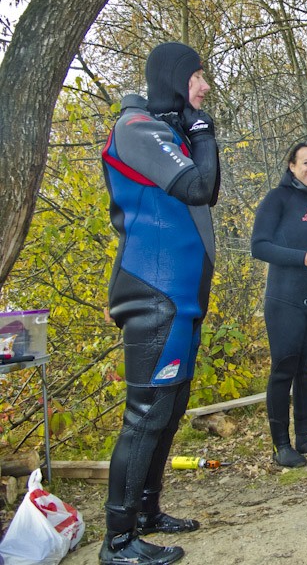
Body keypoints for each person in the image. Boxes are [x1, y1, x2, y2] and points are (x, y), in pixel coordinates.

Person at [100, 41, 220, 565]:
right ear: (174, 77)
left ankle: (147, 513)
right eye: (197, 76)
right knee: (145, 413)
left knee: (167, 410)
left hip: (181, 296)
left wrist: (192, 129)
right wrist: (202, 130)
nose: (204, 86)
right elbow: (200, 187)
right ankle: (118, 541)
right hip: (155, 292)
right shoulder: (136, 129)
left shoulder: (166, 129)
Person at [251, 141, 307, 468]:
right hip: (285, 299)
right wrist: (302, 258)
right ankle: (281, 446)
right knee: (283, 371)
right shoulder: (277, 200)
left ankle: (305, 437)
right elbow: (259, 247)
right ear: (291, 165)